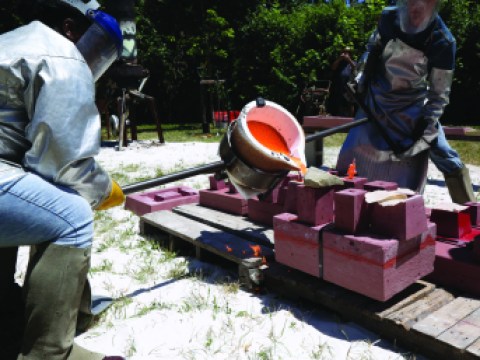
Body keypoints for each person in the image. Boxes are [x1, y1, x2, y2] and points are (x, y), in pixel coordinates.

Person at [0, 1, 127, 359]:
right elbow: (63, 164)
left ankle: (7, 323)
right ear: (71, 28)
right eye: (98, 47)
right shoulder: (61, 54)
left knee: (30, 200)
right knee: (72, 217)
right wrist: (103, 190)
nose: (94, 62)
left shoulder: (12, 41)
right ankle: (49, 353)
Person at [336, 0, 475, 204]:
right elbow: (372, 48)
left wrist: (422, 135)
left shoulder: (443, 41)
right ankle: (340, 202)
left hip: (412, 105)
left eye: (423, 3)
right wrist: (360, 80)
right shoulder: (388, 18)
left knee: (445, 154)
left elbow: (438, 97)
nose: (415, 8)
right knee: (352, 151)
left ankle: (469, 208)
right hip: (377, 98)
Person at [329, 47, 357, 117]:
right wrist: (339, 59)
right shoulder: (339, 63)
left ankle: (350, 119)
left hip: (349, 86)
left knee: (350, 103)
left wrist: (349, 60)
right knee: (339, 102)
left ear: (350, 54)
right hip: (339, 85)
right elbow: (333, 67)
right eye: (343, 52)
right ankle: (339, 117)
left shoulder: (353, 62)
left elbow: (356, 69)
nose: (344, 54)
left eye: (346, 52)